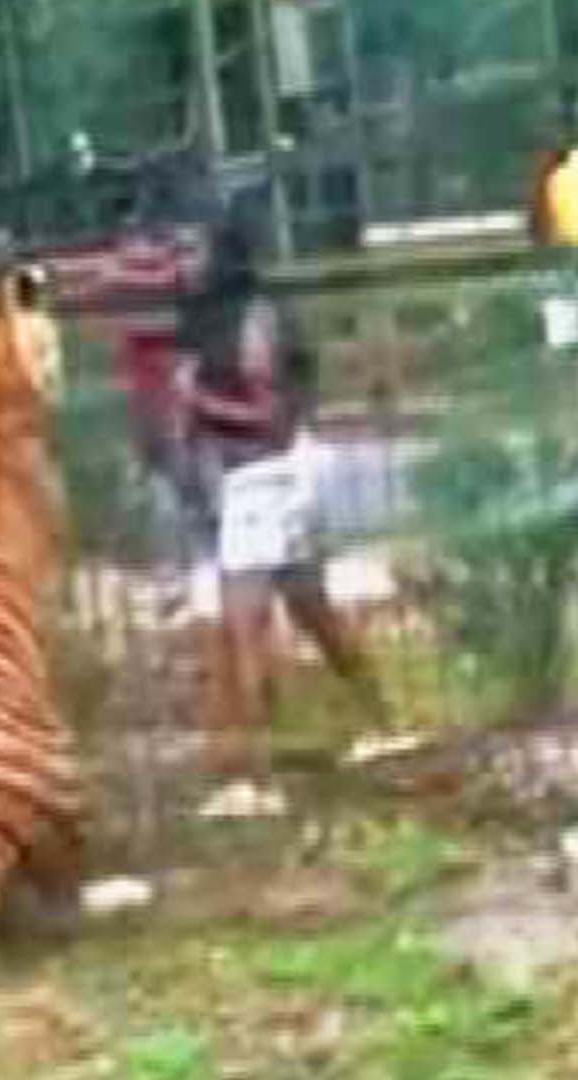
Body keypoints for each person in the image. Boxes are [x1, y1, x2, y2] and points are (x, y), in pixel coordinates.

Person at [174, 212, 389, 800]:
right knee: (309, 610)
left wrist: (198, 401)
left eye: (193, 247)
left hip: (271, 473)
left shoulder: (253, 320)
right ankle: (383, 723)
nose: (181, 261)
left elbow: (269, 420)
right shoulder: (202, 321)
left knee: (244, 621)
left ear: (223, 256)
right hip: (248, 481)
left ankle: (256, 779)